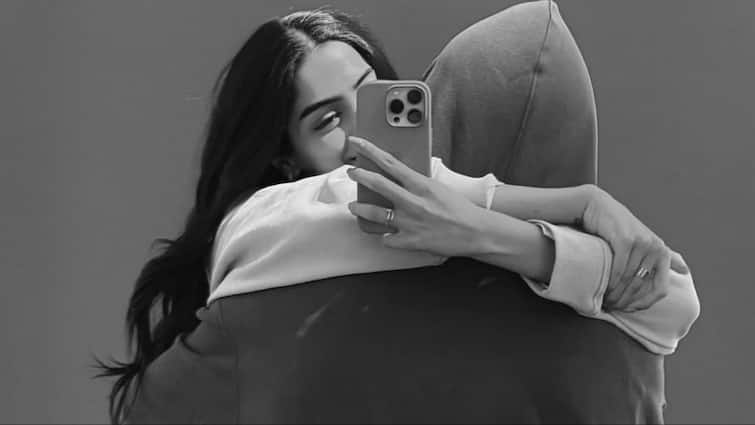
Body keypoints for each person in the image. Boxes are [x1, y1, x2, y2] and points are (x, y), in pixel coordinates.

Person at [93, 2, 699, 423]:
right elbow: (665, 305)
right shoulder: (276, 218)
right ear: (283, 161)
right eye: (329, 120)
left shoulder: (459, 232)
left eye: (373, 95)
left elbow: (672, 299)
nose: (362, 132)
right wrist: (569, 211)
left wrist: (484, 234)